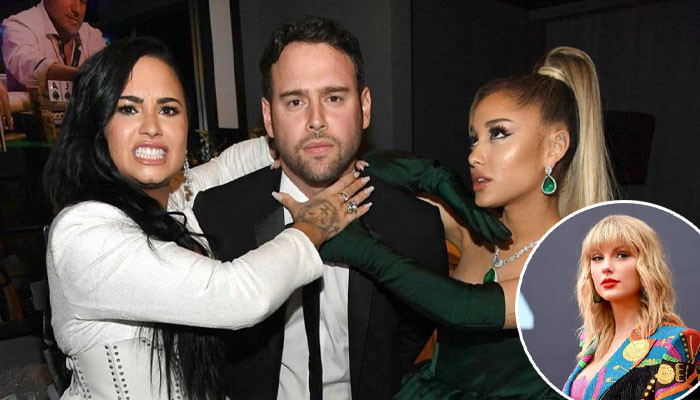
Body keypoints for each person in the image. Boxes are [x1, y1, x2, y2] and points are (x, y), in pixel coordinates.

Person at [191, 16, 504, 400]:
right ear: (269, 118)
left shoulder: (412, 226)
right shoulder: (219, 216)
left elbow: (403, 347)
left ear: (365, 107)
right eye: (295, 102)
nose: (316, 121)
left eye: (334, 98)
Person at [43, 37, 372, 400]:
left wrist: (309, 141)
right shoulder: (82, 233)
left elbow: (232, 164)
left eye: (168, 109)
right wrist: (312, 226)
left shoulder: (177, 198)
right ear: (97, 124)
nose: (152, 126)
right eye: (129, 109)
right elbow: (237, 296)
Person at [322, 46, 617, 399]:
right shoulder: (474, 230)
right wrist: (433, 175)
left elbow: (463, 308)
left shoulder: (578, 262)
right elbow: (369, 173)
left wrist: (367, 254)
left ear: (555, 147)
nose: (475, 155)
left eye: (499, 134)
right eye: (474, 139)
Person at [562, 215, 700, 400]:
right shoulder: (591, 342)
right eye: (597, 258)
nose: (606, 267)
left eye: (622, 255)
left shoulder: (676, 342)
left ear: (647, 265)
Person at [2, 0, 106, 93]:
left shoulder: (92, 35)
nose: (77, 10)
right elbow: (28, 64)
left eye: (83, 1)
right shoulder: (19, 25)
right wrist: (83, 75)